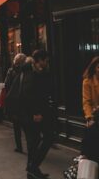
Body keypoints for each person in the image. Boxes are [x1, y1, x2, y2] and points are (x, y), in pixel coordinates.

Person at [19, 50, 56, 179]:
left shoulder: (38, 72)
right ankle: (33, 167)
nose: (47, 63)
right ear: (39, 60)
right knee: (45, 138)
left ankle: (32, 169)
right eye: (45, 60)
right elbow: (28, 95)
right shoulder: (30, 73)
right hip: (31, 114)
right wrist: (36, 113)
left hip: (37, 112)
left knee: (35, 142)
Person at [4, 53, 27, 153]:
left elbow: (6, 85)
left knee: (16, 126)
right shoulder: (27, 71)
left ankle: (19, 146)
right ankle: (31, 145)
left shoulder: (11, 71)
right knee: (27, 126)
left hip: (14, 102)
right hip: (24, 101)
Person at [81, 56, 99, 162]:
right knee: (91, 134)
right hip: (95, 115)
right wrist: (89, 118)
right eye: (98, 67)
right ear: (94, 68)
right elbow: (86, 102)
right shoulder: (88, 81)